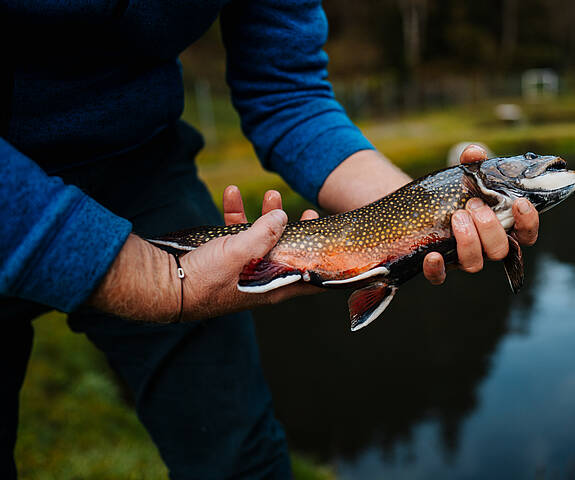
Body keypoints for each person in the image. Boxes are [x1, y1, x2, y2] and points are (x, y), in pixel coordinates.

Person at [0, 1, 539, 478]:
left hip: (144, 168)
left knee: (240, 458)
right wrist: (162, 283)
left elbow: (287, 92)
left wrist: (422, 208)